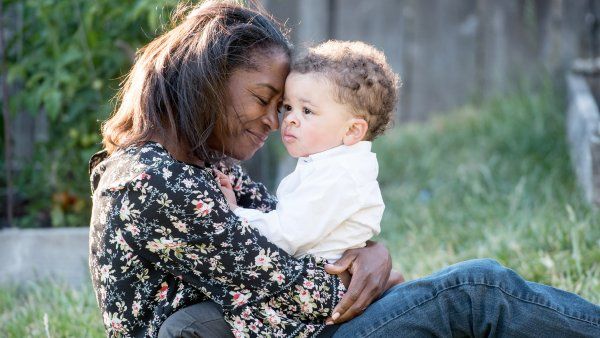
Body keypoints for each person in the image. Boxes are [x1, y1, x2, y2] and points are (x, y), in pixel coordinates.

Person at [88, 1, 600, 337]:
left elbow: (302, 237)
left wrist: (369, 252)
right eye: (266, 100)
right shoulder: (150, 180)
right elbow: (293, 286)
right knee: (474, 291)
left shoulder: (202, 166)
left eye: (286, 106)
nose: (275, 121)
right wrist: (379, 273)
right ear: (207, 81)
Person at [216, 40, 397, 264]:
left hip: (326, 290)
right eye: (289, 107)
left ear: (352, 130)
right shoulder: (329, 166)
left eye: (307, 111)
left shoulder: (339, 175)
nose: (289, 119)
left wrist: (234, 213)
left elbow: (285, 235)